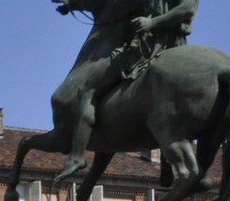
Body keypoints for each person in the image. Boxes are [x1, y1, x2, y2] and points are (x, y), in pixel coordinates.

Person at [53, 0, 199, 180]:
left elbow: (188, 9)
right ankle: (167, 167)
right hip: (151, 40)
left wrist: (152, 22)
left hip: (153, 44)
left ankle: (77, 155)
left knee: (88, 89)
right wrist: (73, 4)